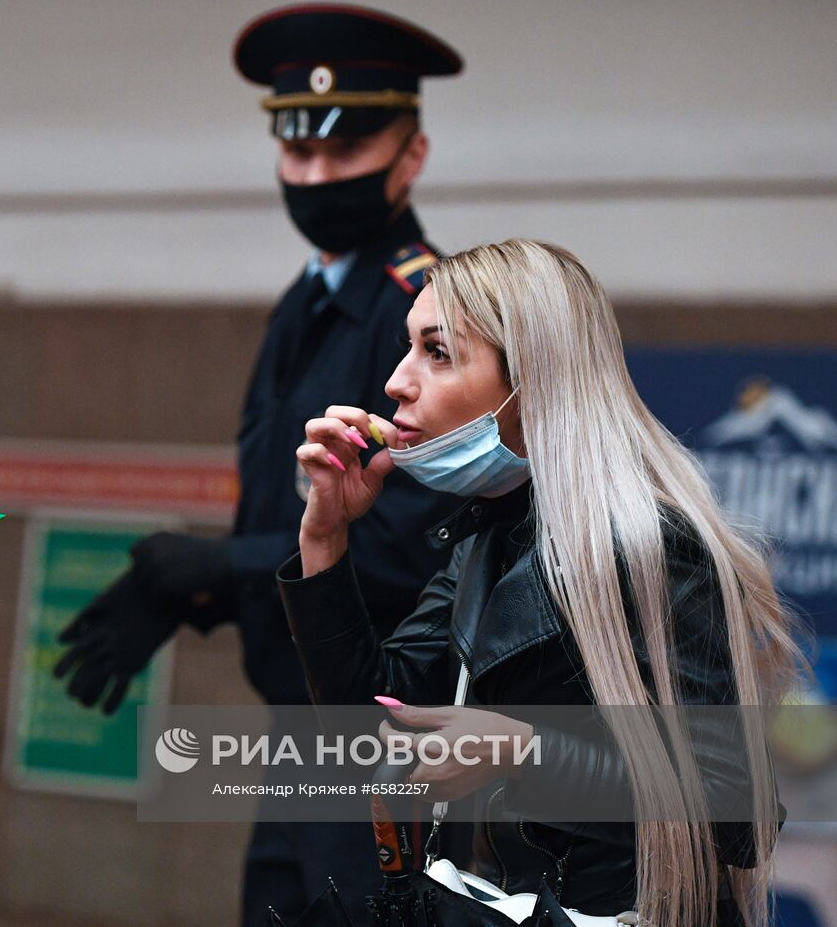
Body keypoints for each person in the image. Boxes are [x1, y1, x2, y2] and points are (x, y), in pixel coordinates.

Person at [53, 3, 466, 921]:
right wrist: (198, 590)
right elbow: (296, 515)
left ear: (413, 156)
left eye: (344, 152)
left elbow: (412, 547)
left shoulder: (431, 318)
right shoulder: (301, 306)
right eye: (297, 153)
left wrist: (219, 563)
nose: (315, 176)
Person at [280, 239, 804, 926]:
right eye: (409, 348)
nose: (397, 382)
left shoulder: (654, 544)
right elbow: (374, 729)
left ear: (532, 381)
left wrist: (522, 748)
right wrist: (324, 538)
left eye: (436, 352)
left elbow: (732, 809)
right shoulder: (491, 534)